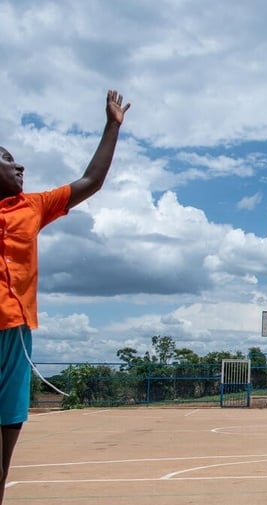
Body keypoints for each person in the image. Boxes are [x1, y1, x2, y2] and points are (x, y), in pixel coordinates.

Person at [0, 90, 129, 502]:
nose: (19, 164)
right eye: (6, 158)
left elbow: (91, 181)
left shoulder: (31, 207)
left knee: (7, 428)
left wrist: (112, 126)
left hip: (14, 333)